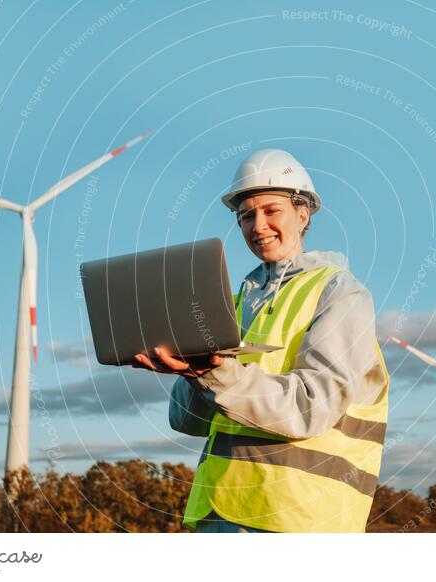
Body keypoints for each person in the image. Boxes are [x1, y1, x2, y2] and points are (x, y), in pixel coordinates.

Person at [132, 149, 389, 532]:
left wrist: (219, 375)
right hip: (218, 510)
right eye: (246, 216)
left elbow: (311, 408)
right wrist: (191, 371)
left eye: (271, 210)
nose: (258, 225)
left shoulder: (339, 293)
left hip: (298, 516)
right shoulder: (230, 305)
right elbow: (186, 421)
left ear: (303, 214)